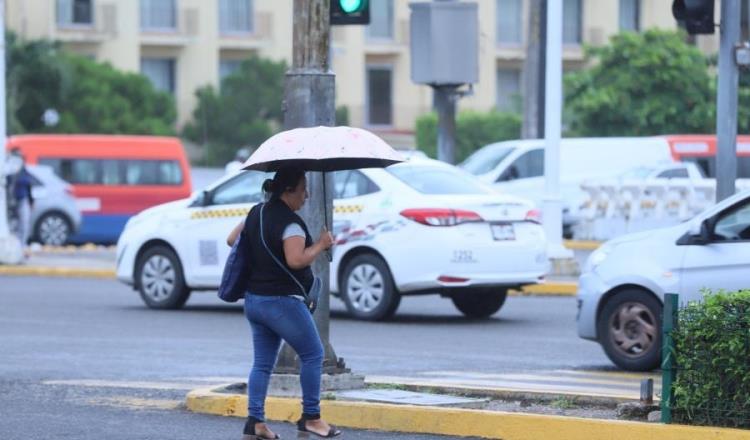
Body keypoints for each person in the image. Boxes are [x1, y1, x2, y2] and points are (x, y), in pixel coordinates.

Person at [227, 166, 340, 439]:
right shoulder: (290, 223)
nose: (307, 195)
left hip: (255, 301)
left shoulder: (256, 212)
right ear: (289, 190)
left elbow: (232, 240)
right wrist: (321, 244)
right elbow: (296, 260)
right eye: (303, 188)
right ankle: (311, 417)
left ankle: (255, 421)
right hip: (281, 302)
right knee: (313, 354)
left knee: (262, 364)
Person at [9, 152, 34, 252]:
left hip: (22, 200)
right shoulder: (9, 171)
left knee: (24, 225)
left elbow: (29, 187)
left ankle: (21, 246)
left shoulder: (24, 171)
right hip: (10, 203)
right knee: (13, 226)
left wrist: (31, 201)